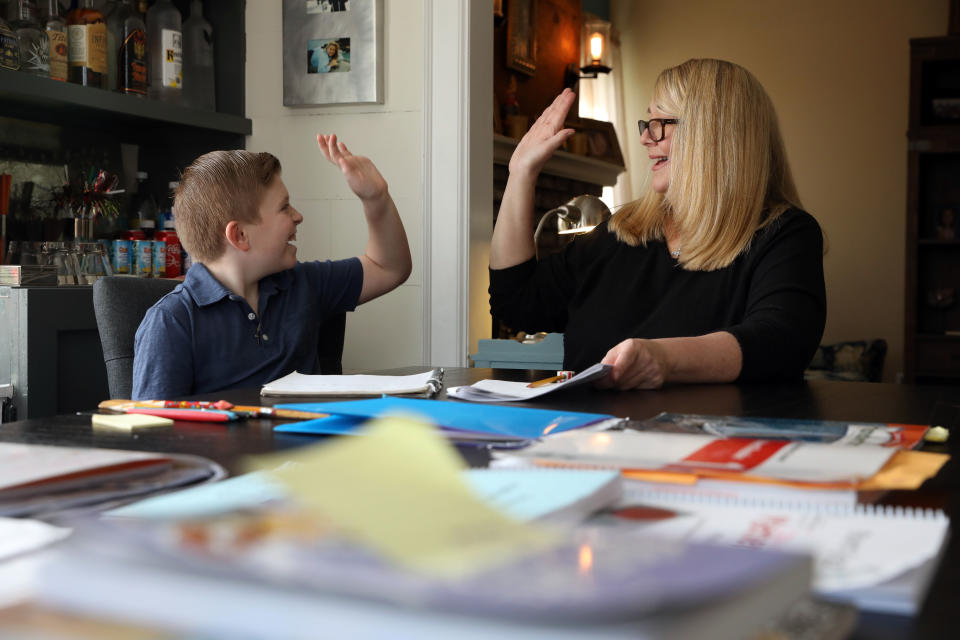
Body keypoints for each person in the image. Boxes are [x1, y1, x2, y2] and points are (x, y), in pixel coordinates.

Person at [489, 58, 826, 390]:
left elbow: (782, 340)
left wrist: (662, 358)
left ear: (713, 134)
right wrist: (521, 174)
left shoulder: (784, 234)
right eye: (646, 122)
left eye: (661, 123)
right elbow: (517, 303)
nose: (645, 139)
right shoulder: (620, 234)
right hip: (585, 438)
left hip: (708, 442)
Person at [132, 135, 411, 399]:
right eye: (284, 207)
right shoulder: (172, 322)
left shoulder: (302, 283)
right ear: (240, 235)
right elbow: (151, 434)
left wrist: (376, 198)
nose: (298, 216)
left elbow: (388, 268)